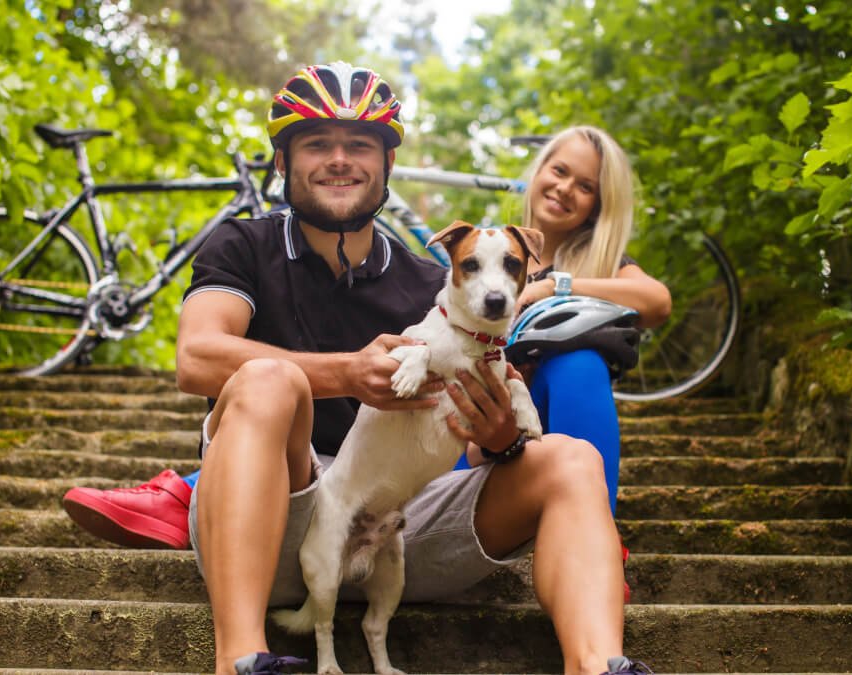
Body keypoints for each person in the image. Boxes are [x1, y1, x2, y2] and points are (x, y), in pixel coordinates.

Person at [67, 62, 648, 675]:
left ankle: (597, 665)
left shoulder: (444, 283)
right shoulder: (243, 245)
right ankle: (239, 659)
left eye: (359, 145)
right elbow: (196, 358)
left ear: (388, 165)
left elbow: (475, 455)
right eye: (317, 143)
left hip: (408, 515)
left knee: (572, 458)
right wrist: (344, 373)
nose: (339, 159)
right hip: (280, 512)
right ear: (283, 163)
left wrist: (499, 436)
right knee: (270, 380)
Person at [452, 125, 672, 516]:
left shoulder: (601, 268)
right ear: (538, 172)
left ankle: (596, 539)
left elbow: (657, 301)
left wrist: (556, 286)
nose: (566, 188)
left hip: (548, 443)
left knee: (579, 365)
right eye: (559, 171)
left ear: (597, 207)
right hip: (473, 443)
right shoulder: (483, 255)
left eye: (586, 187)